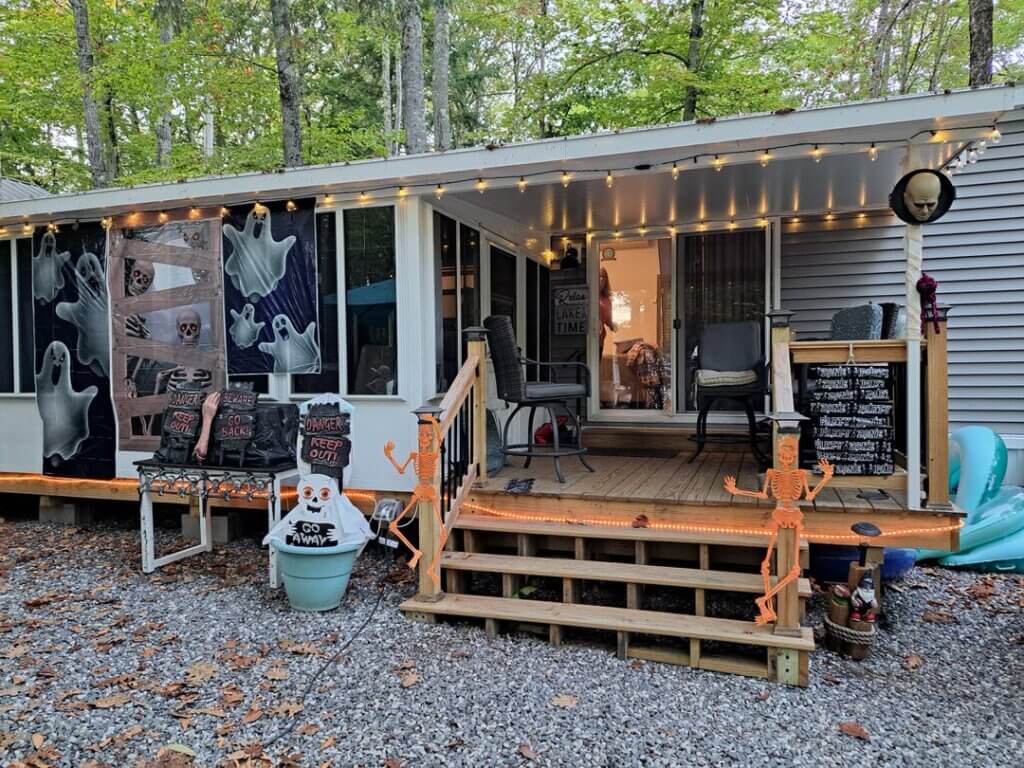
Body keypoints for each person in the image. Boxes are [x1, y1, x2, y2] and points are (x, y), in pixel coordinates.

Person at [599, 267, 617, 352]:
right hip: (587, 339)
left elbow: (607, 319)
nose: (601, 279)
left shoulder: (606, 300)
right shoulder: (589, 296)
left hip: (600, 339)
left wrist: (613, 325)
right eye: (599, 276)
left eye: (603, 277)